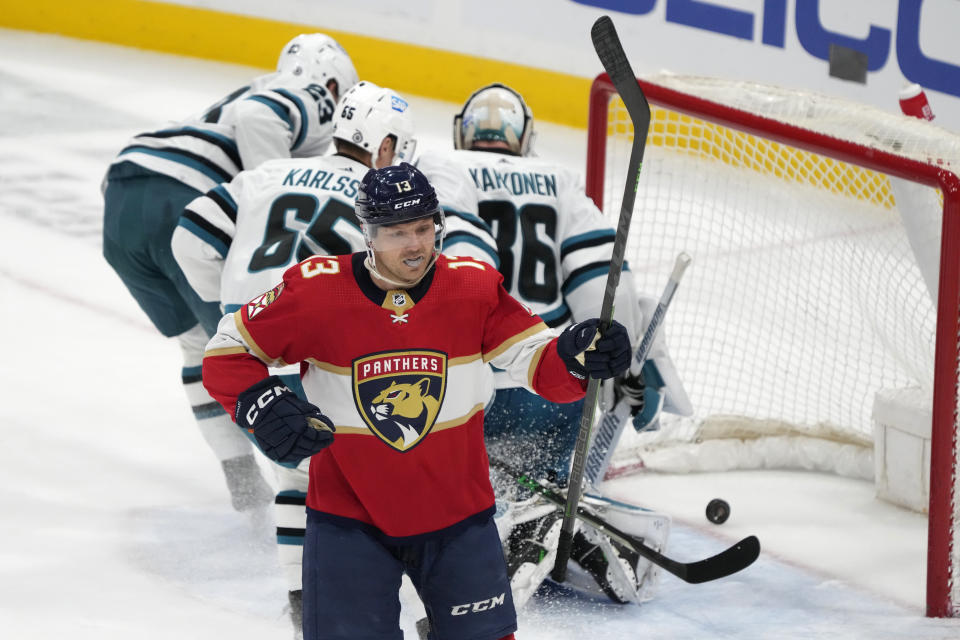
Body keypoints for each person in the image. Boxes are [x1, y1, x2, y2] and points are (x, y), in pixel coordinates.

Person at [200, 162, 633, 640]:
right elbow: (225, 350)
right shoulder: (317, 290)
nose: (414, 245)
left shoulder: (473, 287)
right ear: (367, 233)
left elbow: (537, 362)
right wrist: (258, 400)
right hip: (349, 521)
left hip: (459, 520)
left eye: (424, 228)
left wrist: (575, 354)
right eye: (397, 232)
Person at [171, 80, 499, 636]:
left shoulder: (265, 174)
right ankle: (433, 619)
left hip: (253, 358)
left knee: (300, 479)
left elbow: (190, 238)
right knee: (397, 490)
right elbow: (459, 274)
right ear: (387, 146)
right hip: (336, 359)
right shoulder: (384, 204)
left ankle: (310, 610)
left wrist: (227, 316)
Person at [416, 83, 693, 606]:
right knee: (639, 306)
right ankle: (555, 515)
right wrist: (617, 375)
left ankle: (504, 525)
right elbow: (606, 293)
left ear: (463, 130)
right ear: (525, 138)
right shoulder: (559, 180)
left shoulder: (441, 166)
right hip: (552, 388)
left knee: (440, 485)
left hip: (469, 393)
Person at [101, 33, 359, 515]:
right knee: (245, 349)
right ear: (332, 80)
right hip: (180, 199)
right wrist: (274, 199)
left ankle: (242, 482)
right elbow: (260, 117)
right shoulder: (314, 93)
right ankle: (306, 495)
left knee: (200, 345)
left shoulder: (246, 93)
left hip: (123, 199)